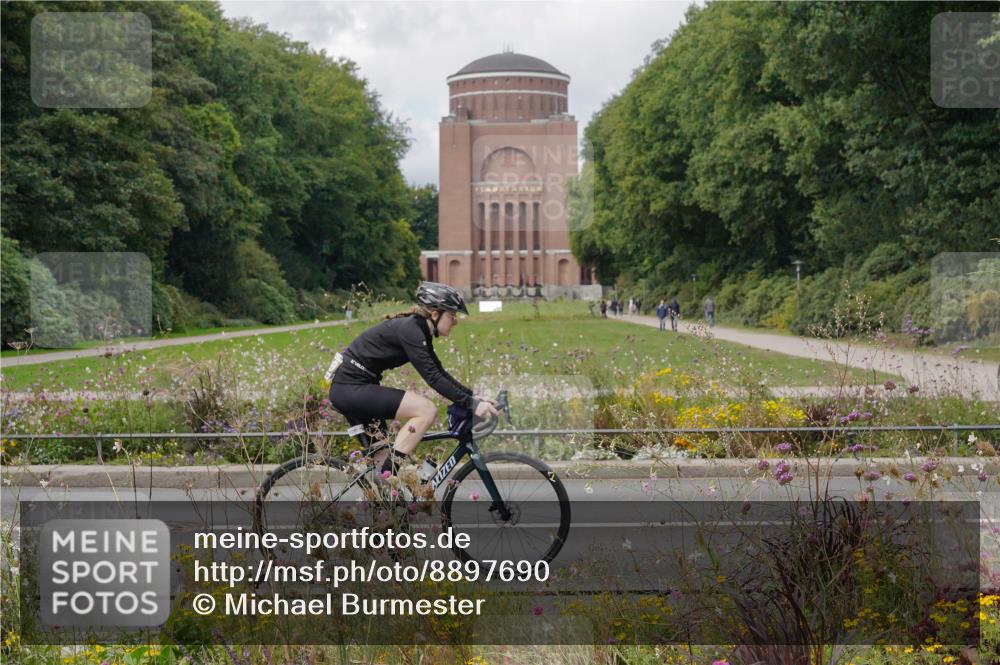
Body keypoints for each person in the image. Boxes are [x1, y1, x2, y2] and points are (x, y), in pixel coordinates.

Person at [327, 282, 498, 475]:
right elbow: (433, 378)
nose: (455, 321)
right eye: (452, 315)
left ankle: (383, 483)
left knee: (380, 470)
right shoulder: (411, 330)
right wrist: (472, 404)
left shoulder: (418, 330)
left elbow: (439, 373)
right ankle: (389, 473)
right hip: (350, 388)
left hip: (354, 388)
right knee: (426, 410)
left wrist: (473, 397)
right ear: (435, 314)